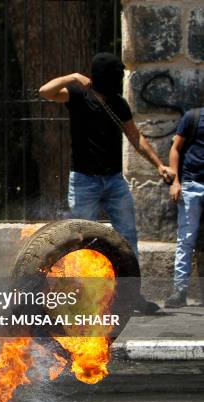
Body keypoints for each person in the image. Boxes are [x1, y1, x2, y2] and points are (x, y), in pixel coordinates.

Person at [39, 52, 175, 314]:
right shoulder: (78, 96)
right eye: (115, 74)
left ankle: (130, 297)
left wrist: (159, 165)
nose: (119, 78)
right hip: (84, 182)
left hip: (114, 182)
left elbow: (136, 138)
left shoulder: (118, 104)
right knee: (81, 240)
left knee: (128, 238)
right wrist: (73, 77)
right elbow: (45, 91)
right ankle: (82, 300)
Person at [165, 107, 204, 308]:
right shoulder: (193, 117)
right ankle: (179, 291)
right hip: (191, 186)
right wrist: (175, 182)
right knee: (186, 239)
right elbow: (175, 148)